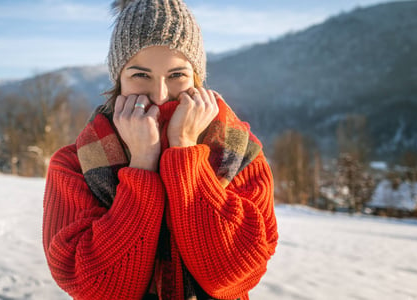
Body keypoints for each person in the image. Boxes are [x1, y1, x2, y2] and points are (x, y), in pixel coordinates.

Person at [42, 0, 278, 299]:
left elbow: (230, 275)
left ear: (197, 78)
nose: (160, 94)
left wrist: (184, 152)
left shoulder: (241, 153)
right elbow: (95, 288)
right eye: (140, 75)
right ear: (118, 79)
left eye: (177, 75)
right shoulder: (76, 163)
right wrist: (141, 164)